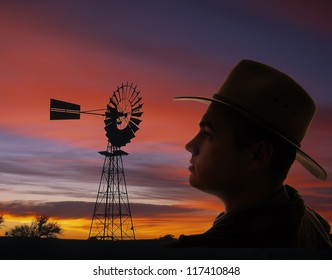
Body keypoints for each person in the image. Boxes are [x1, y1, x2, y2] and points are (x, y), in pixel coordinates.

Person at [173, 60, 331, 248]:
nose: (190, 145)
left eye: (208, 134)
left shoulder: (204, 255)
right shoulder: (310, 221)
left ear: (258, 155)